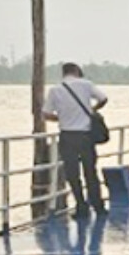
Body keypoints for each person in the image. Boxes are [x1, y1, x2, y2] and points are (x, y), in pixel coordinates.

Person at [41, 62, 110, 215]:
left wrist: (61, 118)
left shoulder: (55, 90)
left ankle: (81, 206)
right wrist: (92, 110)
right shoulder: (86, 85)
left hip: (67, 136)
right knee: (90, 172)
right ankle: (98, 206)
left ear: (63, 73)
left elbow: (45, 114)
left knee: (72, 174)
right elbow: (103, 98)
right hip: (85, 136)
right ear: (77, 71)